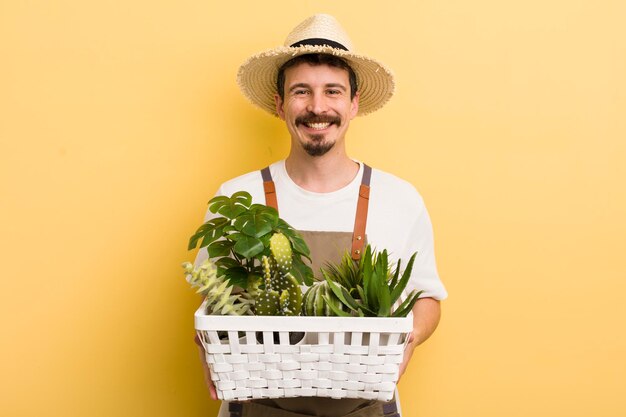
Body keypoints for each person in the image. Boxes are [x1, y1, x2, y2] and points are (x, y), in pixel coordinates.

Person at [194, 14, 448, 417]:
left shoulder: (400, 199)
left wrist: (408, 338)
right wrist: (208, 345)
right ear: (280, 104)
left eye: (333, 91)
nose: (317, 107)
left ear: (353, 103)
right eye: (301, 91)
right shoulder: (237, 197)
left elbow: (428, 297)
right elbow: (212, 299)